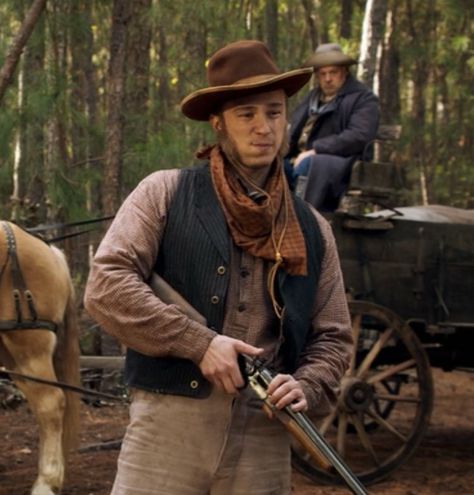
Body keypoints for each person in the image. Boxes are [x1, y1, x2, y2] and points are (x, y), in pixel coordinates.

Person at [84, 40, 353, 495]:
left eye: (273, 112)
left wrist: (306, 384)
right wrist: (199, 343)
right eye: (246, 114)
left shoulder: (313, 229)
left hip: (265, 433)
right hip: (168, 427)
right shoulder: (164, 193)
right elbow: (106, 286)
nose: (262, 127)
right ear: (219, 124)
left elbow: (334, 335)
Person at [286, 43, 380, 211]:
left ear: (344, 72)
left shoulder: (362, 98)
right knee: (272, 166)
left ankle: (302, 216)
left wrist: (316, 149)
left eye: (333, 73)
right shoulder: (311, 98)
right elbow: (293, 132)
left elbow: (359, 136)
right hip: (301, 157)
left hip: (342, 160)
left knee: (307, 165)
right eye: (323, 74)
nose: (328, 78)